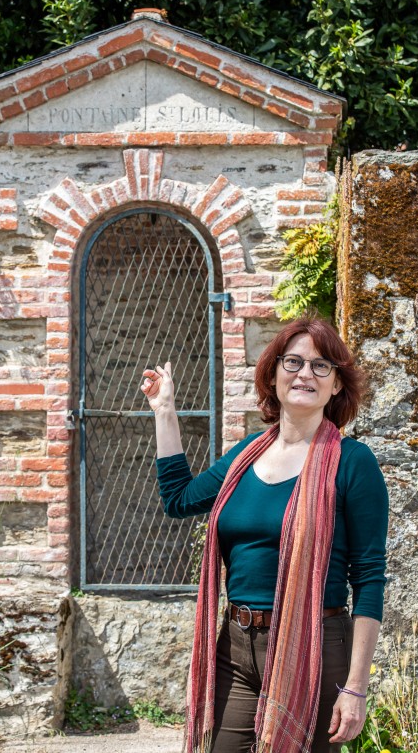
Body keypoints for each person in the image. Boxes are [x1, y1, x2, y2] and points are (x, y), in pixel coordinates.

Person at [140, 317, 388, 753]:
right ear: (273, 376)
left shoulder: (353, 463)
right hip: (236, 647)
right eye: (293, 362)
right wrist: (164, 411)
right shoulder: (246, 455)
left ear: (336, 386)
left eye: (321, 366)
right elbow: (178, 498)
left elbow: (368, 579)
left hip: (314, 646)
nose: (305, 374)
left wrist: (355, 687)